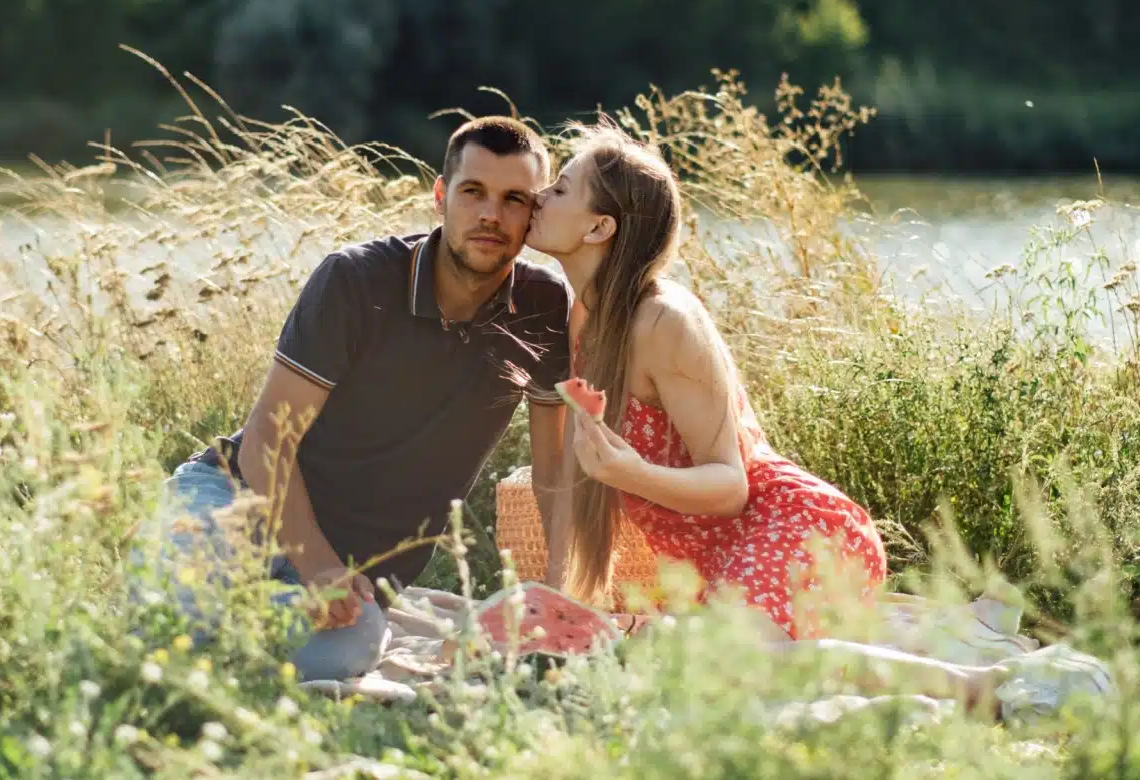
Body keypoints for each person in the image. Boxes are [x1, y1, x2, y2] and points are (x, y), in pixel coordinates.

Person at [153, 116, 573, 681]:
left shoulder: (545, 306)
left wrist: (566, 591)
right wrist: (316, 563)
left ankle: (189, 646)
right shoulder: (356, 281)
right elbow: (267, 439)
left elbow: (554, 475)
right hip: (236, 501)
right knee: (182, 600)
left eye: (514, 199)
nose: (491, 215)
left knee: (355, 647)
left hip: (356, 570)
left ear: (533, 213)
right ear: (441, 196)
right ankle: (181, 627)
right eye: (474, 192)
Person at [524, 119, 888, 641]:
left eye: (559, 189)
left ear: (599, 228)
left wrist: (631, 474)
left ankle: (970, 686)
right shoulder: (584, 319)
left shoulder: (663, 321)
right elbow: (578, 485)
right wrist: (557, 607)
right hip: (716, 563)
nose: (539, 197)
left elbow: (731, 486)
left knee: (714, 665)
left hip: (801, 531)